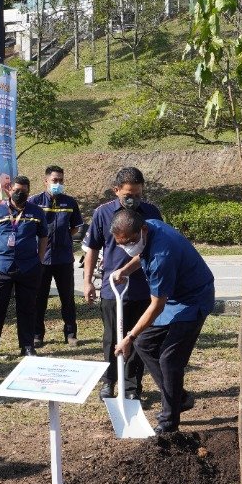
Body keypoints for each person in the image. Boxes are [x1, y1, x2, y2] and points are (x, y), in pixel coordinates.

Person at [112, 210, 215, 435]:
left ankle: (169, 421)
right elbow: (140, 253)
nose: (127, 247)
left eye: (129, 242)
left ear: (142, 231)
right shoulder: (149, 225)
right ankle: (180, 397)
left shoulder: (162, 257)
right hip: (174, 296)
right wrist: (125, 270)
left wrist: (129, 336)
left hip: (193, 300)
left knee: (169, 359)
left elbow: (156, 306)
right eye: (121, 244)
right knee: (144, 344)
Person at [83, 167, 161, 399]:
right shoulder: (102, 213)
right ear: (116, 190)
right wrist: (88, 282)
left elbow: (157, 247)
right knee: (111, 338)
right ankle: (109, 381)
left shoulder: (151, 212)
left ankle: (132, 386)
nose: (133, 199)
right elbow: (93, 248)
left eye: (138, 194)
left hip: (143, 287)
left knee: (136, 338)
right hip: (112, 287)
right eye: (128, 194)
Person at [0, 175, 47, 361]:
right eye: (16, 190)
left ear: (28, 191)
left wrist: (39, 259)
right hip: (1, 266)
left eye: (23, 191)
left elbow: (43, 237)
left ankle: (27, 346)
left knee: (27, 307)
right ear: (9, 190)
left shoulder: (36, 212)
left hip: (28, 267)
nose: (19, 194)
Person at [29, 166, 84, 348]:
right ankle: (37, 334)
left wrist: (65, 237)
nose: (58, 184)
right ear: (46, 181)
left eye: (61, 180)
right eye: (55, 180)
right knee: (39, 299)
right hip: (41, 259)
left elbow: (75, 227)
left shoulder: (70, 202)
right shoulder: (34, 202)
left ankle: (70, 334)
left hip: (64, 258)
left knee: (67, 298)